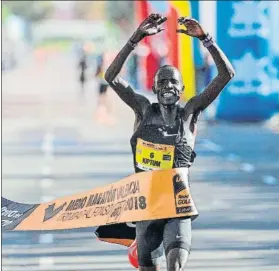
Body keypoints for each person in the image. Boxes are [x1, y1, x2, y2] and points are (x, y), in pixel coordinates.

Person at [105, 14, 235, 271]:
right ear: (153, 88)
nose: (167, 86)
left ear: (182, 88)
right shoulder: (143, 110)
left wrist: (205, 39)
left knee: (175, 267)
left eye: (173, 81)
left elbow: (226, 74)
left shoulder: (190, 113)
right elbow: (111, 76)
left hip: (178, 207)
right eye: (161, 82)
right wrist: (136, 38)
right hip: (146, 209)